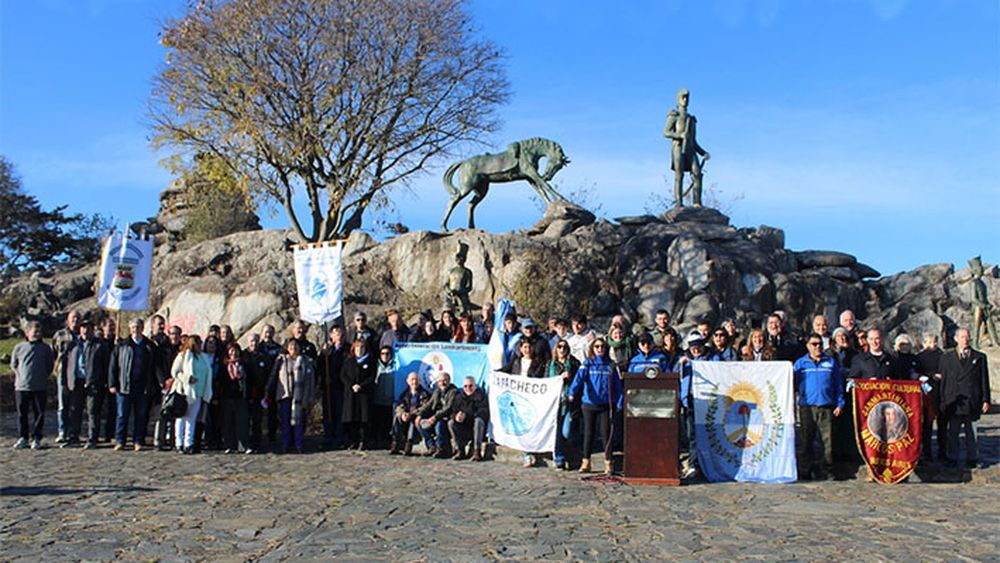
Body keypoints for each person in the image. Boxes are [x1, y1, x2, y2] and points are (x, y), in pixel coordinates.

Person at [792, 333, 844, 480]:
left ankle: (827, 471)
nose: (818, 347)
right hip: (806, 407)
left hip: (827, 406)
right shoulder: (800, 364)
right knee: (806, 440)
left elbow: (838, 385)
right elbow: (791, 384)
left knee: (828, 442)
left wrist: (840, 403)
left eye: (820, 344)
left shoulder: (831, 362)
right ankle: (804, 471)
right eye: (814, 344)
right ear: (808, 346)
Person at [568, 338, 623, 474]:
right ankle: (586, 462)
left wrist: (620, 401)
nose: (600, 349)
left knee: (606, 435)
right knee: (588, 434)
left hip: (605, 405)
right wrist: (572, 393)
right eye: (597, 346)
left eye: (602, 346)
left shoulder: (610, 365)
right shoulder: (587, 364)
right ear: (592, 348)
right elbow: (578, 379)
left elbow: (617, 385)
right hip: (589, 404)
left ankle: (608, 462)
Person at [938, 328, 991, 468]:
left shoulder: (979, 357)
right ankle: (952, 458)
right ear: (956, 339)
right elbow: (943, 381)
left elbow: (984, 380)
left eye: (967, 337)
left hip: (972, 400)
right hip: (954, 400)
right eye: (962, 337)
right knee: (953, 432)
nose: (965, 339)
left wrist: (986, 399)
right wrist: (942, 400)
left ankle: (972, 458)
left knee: (971, 433)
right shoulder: (947, 357)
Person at [109, 318, 158, 451]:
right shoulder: (122, 345)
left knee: (141, 416)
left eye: (138, 327)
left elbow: (155, 367)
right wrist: (112, 383)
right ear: (130, 329)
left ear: (142, 328)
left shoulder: (149, 346)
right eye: (133, 327)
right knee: (122, 415)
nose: (135, 330)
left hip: (143, 387)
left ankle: (138, 441)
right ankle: (120, 440)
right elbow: (113, 366)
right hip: (124, 385)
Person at [65, 320, 110, 449]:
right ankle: (74, 437)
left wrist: (103, 382)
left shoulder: (99, 345)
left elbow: (106, 364)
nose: (85, 331)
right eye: (83, 328)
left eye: (88, 329)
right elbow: (66, 363)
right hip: (76, 382)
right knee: (75, 411)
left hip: (93, 383)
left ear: (92, 330)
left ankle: (92, 438)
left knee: (92, 412)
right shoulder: (74, 344)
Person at [267, 338, 317, 454]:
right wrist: (268, 390)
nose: (293, 349)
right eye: (291, 346)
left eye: (295, 346)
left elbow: (310, 379)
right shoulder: (282, 360)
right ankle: (286, 444)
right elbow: (274, 375)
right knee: (285, 421)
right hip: (286, 395)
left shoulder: (305, 361)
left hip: (300, 395)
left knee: (299, 421)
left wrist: (310, 394)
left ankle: (298, 444)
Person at [10, 321, 55, 450]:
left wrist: (42, 376)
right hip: (22, 386)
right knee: (22, 414)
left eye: (39, 332)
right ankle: (23, 437)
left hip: (39, 386)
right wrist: (21, 376)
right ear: (27, 332)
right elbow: (14, 364)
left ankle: (36, 437)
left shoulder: (45, 348)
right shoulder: (19, 347)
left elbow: (49, 365)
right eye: (35, 331)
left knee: (39, 413)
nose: (37, 334)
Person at [663, 87, 710, 207]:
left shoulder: (691, 119)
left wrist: (703, 152)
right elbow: (666, 132)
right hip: (678, 147)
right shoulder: (674, 115)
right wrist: (679, 135)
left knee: (697, 173)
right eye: (683, 97)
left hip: (690, 149)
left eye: (687, 98)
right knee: (679, 174)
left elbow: (693, 141)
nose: (685, 100)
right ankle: (679, 202)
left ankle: (697, 202)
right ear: (678, 99)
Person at [169, 335, 212, 454]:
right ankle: (179, 443)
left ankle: (189, 443)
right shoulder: (183, 355)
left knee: (191, 418)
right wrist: (187, 378)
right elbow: (175, 372)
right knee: (181, 417)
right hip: (185, 391)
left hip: (198, 392)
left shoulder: (203, 357)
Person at [676, 331, 708, 478]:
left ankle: (703, 463)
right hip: (688, 401)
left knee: (705, 434)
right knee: (691, 434)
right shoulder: (683, 360)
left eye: (698, 346)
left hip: (706, 401)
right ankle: (693, 462)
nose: (696, 349)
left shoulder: (710, 360)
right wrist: (680, 365)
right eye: (693, 347)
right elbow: (675, 375)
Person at [550, 338, 581, 470]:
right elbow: (547, 381)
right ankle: (559, 458)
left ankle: (572, 455)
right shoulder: (551, 365)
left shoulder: (574, 363)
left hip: (569, 402)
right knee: (556, 432)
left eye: (564, 347)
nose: (562, 350)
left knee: (566, 432)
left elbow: (579, 379)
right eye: (559, 347)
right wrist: (559, 378)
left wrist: (570, 377)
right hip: (555, 402)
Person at [52, 310, 81, 444]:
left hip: (78, 375)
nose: (75, 320)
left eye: (77, 318)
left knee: (76, 406)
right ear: (68, 320)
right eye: (73, 318)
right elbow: (53, 353)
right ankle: (62, 431)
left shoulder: (83, 335)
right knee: (63, 405)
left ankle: (73, 433)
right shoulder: (60, 335)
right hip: (63, 373)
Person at [415, 371, 459, 458]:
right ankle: (431, 446)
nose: (442, 383)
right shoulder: (437, 391)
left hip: (446, 417)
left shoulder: (454, 392)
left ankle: (441, 449)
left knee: (439, 426)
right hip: (435, 416)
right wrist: (419, 415)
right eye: (440, 381)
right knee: (419, 423)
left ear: (449, 381)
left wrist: (435, 417)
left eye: (445, 380)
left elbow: (448, 408)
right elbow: (429, 404)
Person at [341, 339, 375, 450]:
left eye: (362, 348)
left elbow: (372, 377)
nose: (359, 350)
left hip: (364, 394)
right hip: (351, 394)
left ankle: (363, 441)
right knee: (352, 419)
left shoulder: (370, 361)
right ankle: (353, 441)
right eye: (357, 348)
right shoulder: (348, 361)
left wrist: (361, 385)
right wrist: (352, 385)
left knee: (363, 419)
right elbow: (343, 375)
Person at [916, 334, 945, 460]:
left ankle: (942, 451)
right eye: (929, 342)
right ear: (924, 343)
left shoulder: (942, 356)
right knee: (927, 424)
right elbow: (917, 372)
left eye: (934, 342)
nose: (932, 344)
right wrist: (929, 376)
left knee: (942, 424)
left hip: (941, 392)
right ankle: (926, 451)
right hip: (926, 393)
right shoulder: (920, 357)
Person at [220, 342, 252, 454]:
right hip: (227, 396)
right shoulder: (224, 365)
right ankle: (230, 445)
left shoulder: (244, 364)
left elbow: (249, 380)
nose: (234, 353)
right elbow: (220, 381)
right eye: (231, 351)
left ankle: (243, 445)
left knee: (242, 422)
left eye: (236, 350)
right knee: (228, 422)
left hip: (241, 396)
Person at [390, 372, 431, 456]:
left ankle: (409, 443)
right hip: (406, 415)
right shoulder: (405, 393)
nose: (414, 382)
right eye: (412, 380)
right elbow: (399, 405)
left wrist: (411, 414)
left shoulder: (424, 394)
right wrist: (403, 414)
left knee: (413, 420)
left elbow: (424, 407)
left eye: (416, 380)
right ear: (408, 381)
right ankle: (396, 443)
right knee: (397, 417)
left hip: (416, 416)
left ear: (419, 381)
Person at [448, 376, 489, 461]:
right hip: (464, 427)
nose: (468, 388)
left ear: (475, 386)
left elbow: (483, 412)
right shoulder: (458, 397)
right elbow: (452, 411)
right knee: (451, 423)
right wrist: (456, 416)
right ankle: (459, 450)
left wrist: (467, 415)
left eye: (470, 386)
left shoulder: (481, 396)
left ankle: (477, 451)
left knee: (479, 421)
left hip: (477, 428)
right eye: (465, 386)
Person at [319, 324, 346, 449]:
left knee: (340, 412)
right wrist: (322, 355)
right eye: (335, 332)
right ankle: (328, 436)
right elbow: (320, 366)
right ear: (331, 335)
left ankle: (340, 437)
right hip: (328, 386)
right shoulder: (327, 350)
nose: (338, 334)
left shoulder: (348, 349)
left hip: (341, 386)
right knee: (328, 412)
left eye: (340, 332)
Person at [243, 333, 269, 450]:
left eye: (256, 341)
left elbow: (267, 373)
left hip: (259, 392)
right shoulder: (244, 355)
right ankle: (246, 442)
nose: (254, 343)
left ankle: (257, 443)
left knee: (257, 419)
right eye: (252, 341)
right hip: (245, 392)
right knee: (245, 419)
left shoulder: (263, 356)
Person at [259, 325, 283, 444]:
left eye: (270, 332)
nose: (268, 335)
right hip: (259, 383)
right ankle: (257, 436)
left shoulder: (277, 348)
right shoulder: (257, 347)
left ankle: (272, 435)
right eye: (266, 332)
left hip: (273, 383)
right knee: (258, 411)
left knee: (272, 411)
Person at [372, 345, 397, 448]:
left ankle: (387, 441)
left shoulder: (395, 366)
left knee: (388, 422)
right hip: (377, 398)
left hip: (389, 400)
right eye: (383, 353)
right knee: (377, 422)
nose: (385, 356)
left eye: (387, 354)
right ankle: (377, 440)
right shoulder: (375, 366)